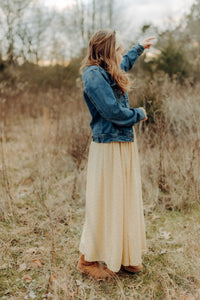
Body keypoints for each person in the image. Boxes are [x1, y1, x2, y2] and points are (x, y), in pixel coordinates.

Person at [76, 29, 155, 281]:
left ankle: (123, 255)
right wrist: (138, 114)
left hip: (123, 143)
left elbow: (125, 62)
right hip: (107, 145)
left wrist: (139, 47)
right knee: (105, 200)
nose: (121, 53)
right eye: (118, 49)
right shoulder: (93, 74)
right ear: (108, 50)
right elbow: (112, 111)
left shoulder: (109, 69)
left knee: (123, 198)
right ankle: (88, 259)